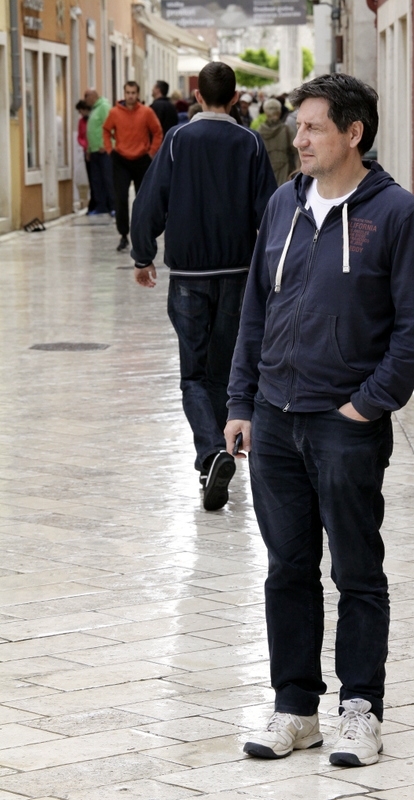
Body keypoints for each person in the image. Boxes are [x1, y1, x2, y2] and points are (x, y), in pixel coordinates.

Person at [224, 74, 414, 766]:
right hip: (275, 417)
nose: (300, 138)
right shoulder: (282, 204)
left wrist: (366, 405)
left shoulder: (398, 214)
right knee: (287, 569)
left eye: (314, 126)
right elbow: (255, 308)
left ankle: (360, 711)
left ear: (354, 132)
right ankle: (295, 709)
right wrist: (241, 400)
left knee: (356, 571)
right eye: (299, 126)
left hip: (344, 425)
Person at [130, 63, 277, 511]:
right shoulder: (250, 142)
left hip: (188, 277)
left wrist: (143, 255)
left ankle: (212, 454)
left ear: (197, 96)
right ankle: (219, 452)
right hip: (237, 276)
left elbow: (150, 199)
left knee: (193, 374)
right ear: (234, 98)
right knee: (221, 372)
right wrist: (273, 272)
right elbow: (269, 213)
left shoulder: (178, 140)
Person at [103, 81, 163, 252]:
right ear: (124, 93)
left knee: (142, 199)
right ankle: (123, 234)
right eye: (128, 92)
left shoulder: (146, 112)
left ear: (138, 94)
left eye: (133, 93)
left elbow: (157, 131)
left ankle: (143, 234)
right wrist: (109, 150)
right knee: (120, 198)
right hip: (121, 160)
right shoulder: (114, 113)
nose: (130, 96)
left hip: (142, 159)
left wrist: (152, 152)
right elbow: (106, 130)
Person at [84, 89, 115, 215]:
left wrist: (106, 145)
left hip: (103, 151)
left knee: (108, 179)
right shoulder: (94, 109)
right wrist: (89, 149)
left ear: (93, 96)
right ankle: (101, 206)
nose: (85, 99)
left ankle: (113, 206)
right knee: (97, 181)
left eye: (86, 96)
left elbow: (110, 127)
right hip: (94, 151)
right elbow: (92, 131)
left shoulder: (104, 107)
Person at [257, 98, 295, 186]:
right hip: (285, 171)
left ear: (265, 113)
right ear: (279, 112)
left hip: (265, 171)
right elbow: (296, 151)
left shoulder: (259, 132)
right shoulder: (286, 130)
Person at [75, 100, 96, 213]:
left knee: (97, 179)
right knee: (91, 179)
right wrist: (85, 146)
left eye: (81, 111)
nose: (80, 113)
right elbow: (80, 137)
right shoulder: (81, 122)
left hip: (95, 150)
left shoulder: (93, 119)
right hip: (86, 152)